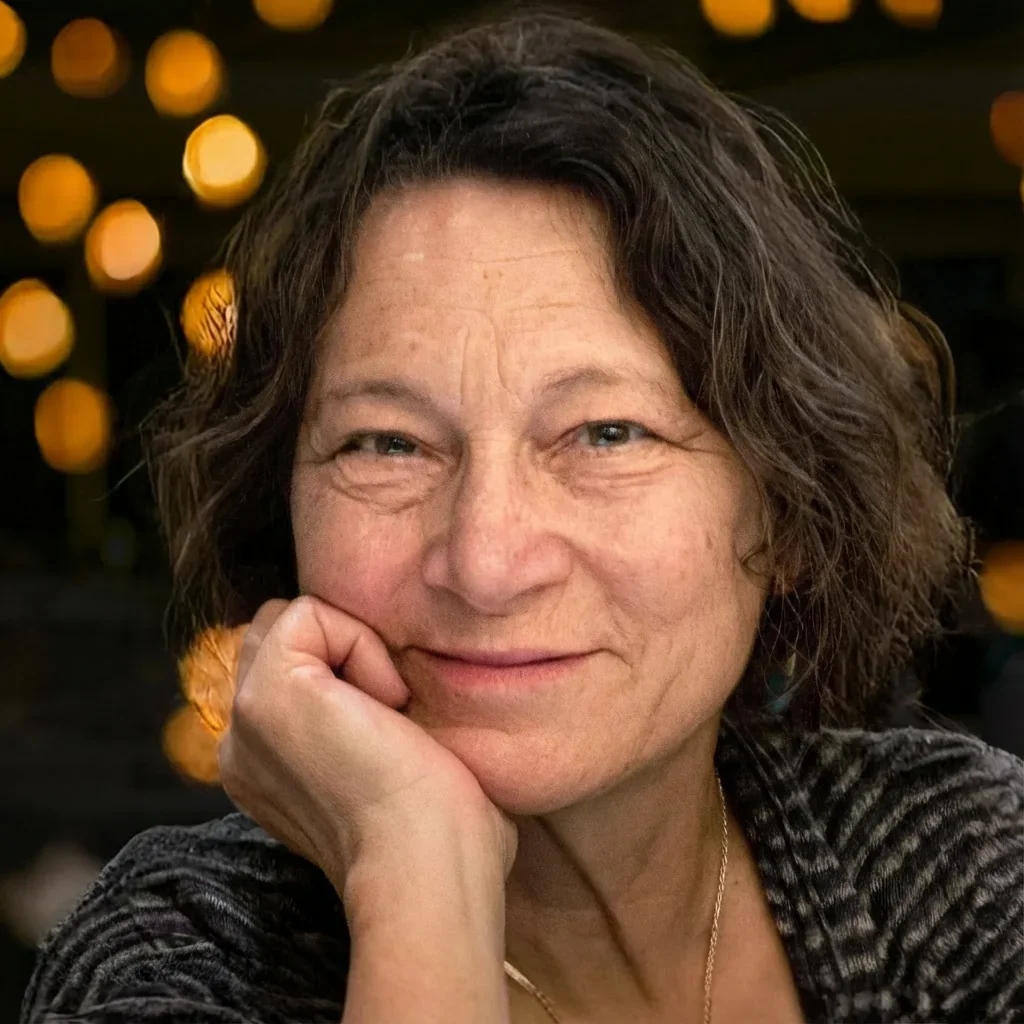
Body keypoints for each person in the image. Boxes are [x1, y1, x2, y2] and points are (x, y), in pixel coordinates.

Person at [21, 10, 1023, 1024]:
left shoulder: (955, 870)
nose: (487, 559)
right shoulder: (172, 960)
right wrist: (413, 872)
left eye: (605, 433)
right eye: (388, 443)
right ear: (282, 505)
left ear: (790, 516)